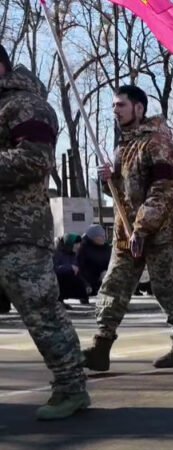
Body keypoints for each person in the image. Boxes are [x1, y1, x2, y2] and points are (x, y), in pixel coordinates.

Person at [0, 48, 90, 419]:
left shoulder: (26, 106)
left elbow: (34, 160)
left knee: (40, 310)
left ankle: (71, 387)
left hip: (17, 230)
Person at [82, 85, 173, 372]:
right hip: (127, 231)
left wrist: (142, 228)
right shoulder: (123, 147)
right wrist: (110, 180)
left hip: (159, 232)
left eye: (121, 105)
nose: (115, 111)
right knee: (114, 284)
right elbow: (125, 192)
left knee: (164, 286)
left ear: (139, 108)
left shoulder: (158, 142)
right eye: (113, 106)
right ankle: (101, 344)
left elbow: (163, 190)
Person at [53, 234, 89, 304]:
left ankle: (83, 297)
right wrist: (69, 267)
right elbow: (54, 269)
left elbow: (78, 272)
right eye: (76, 244)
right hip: (59, 280)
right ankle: (60, 300)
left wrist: (86, 285)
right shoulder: (56, 254)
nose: (78, 246)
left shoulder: (74, 255)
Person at [78, 225, 112, 296]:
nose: (104, 238)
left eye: (104, 236)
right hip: (89, 280)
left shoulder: (107, 248)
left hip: (103, 277)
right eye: (100, 236)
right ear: (92, 237)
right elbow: (80, 268)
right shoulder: (83, 248)